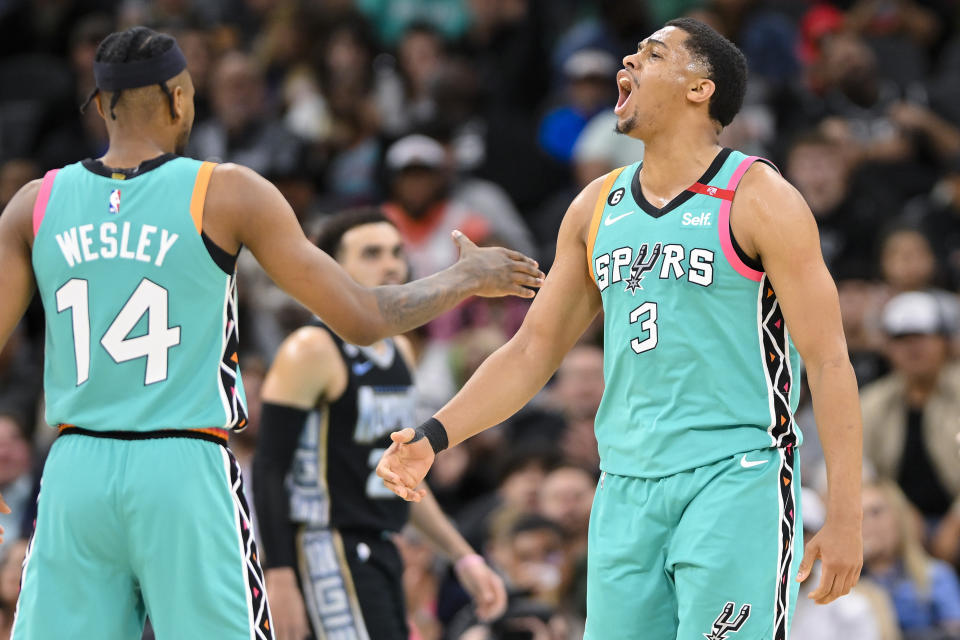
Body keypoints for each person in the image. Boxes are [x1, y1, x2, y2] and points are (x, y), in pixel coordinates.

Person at [0, 26, 542, 639]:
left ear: (100, 105)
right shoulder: (223, 191)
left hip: (74, 470)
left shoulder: (34, 203)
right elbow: (363, 317)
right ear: (180, 98)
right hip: (180, 464)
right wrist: (462, 279)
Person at [379, 17, 864, 639]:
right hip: (624, 488)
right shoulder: (595, 206)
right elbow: (531, 350)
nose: (625, 66)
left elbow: (829, 363)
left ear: (700, 88)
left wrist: (845, 514)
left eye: (652, 55)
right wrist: (434, 435)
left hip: (733, 477)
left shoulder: (759, 196)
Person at [254, 208, 507, 639]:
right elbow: (268, 468)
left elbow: (401, 474)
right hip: (324, 548)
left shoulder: (401, 352)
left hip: (383, 546)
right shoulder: (311, 348)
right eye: (371, 253)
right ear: (331, 268)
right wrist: (279, 576)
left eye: (396, 252)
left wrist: (463, 556)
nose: (391, 264)